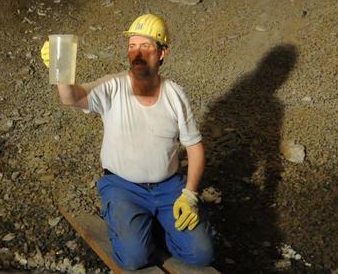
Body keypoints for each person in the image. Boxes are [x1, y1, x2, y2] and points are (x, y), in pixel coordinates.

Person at [41, 13, 214, 270]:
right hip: (123, 187)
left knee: (202, 254)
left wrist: (189, 194)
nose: (137, 52)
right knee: (134, 259)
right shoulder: (113, 86)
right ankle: (135, 226)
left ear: (162, 53)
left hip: (168, 188)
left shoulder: (175, 95)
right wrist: (61, 69)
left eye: (145, 46)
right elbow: (71, 98)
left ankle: (152, 226)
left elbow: (194, 146)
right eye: (132, 46)